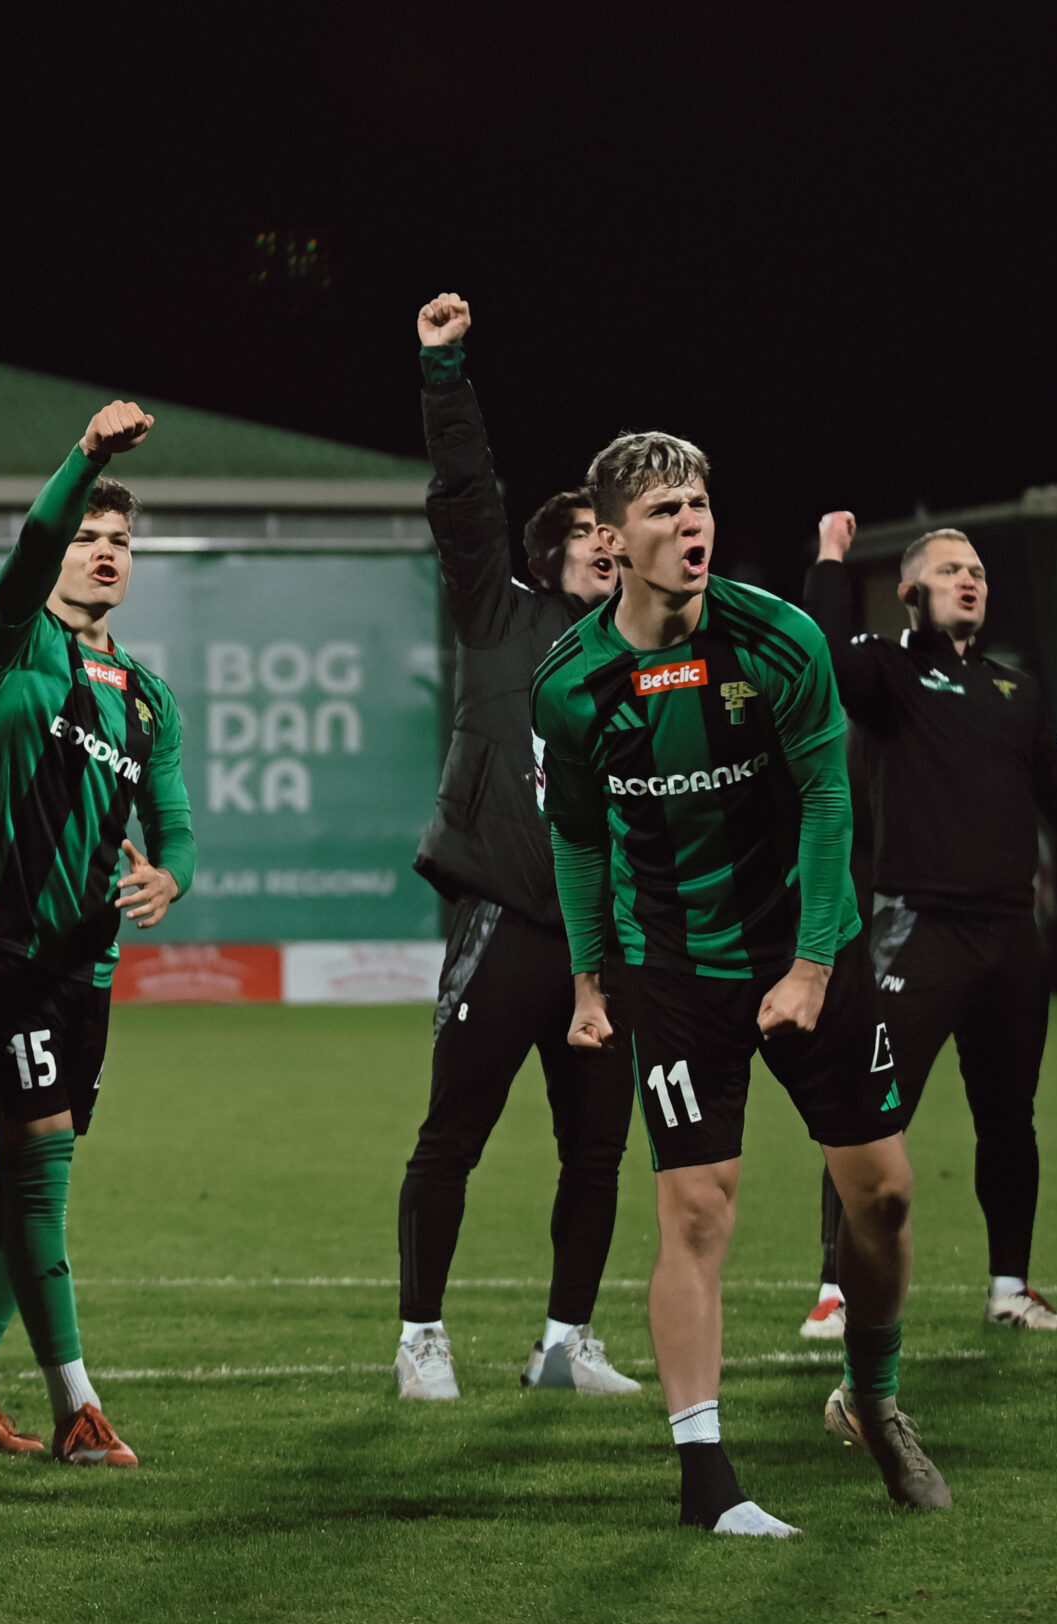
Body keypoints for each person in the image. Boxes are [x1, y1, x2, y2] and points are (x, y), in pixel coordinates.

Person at [531, 430, 949, 1537]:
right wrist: (587, 980)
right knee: (696, 1208)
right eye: (664, 510)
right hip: (673, 967)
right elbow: (578, 835)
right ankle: (705, 1478)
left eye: (698, 504)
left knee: (884, 1196)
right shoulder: (569, 683)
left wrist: (810, 966)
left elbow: (825, 798)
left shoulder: (778, 637)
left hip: (809, 946)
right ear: (611, 541)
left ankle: (870, 1394)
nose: (691, 524)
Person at [796, 514, 1057, 1339]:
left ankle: (1009, 1288)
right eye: (951, 569)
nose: (970, 579)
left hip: (1010, 937)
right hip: (918, 931)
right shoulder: (886, 672)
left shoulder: (1015, 691)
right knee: (868, 1111)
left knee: (1010, 1117)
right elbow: (822, 655)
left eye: (978, 571)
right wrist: (830, 559)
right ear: (910, 592)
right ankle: (836, 1290)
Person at [0, 399, 189, 1471]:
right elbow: (31, 543)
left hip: (86, 959)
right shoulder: (12, 635)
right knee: (40, 1161)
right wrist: (84, 458)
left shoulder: (148, 698)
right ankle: (76, 1403)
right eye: (89, 535)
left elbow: (175, 823)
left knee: (26, 1168)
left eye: (120, 539)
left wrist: (171, 874)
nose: (104, 550)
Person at [393, 294, 639, 1400]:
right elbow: (466, 497)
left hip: (605, 940)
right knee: (453, 1135)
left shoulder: (648, 663)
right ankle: (420, 1338)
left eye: (615, 534)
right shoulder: (501, 616)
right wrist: (444, 373)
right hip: (502, 916)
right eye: (589, 532)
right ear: (549, 555)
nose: (606, 545)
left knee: (597, 1149)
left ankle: (564, 1343)